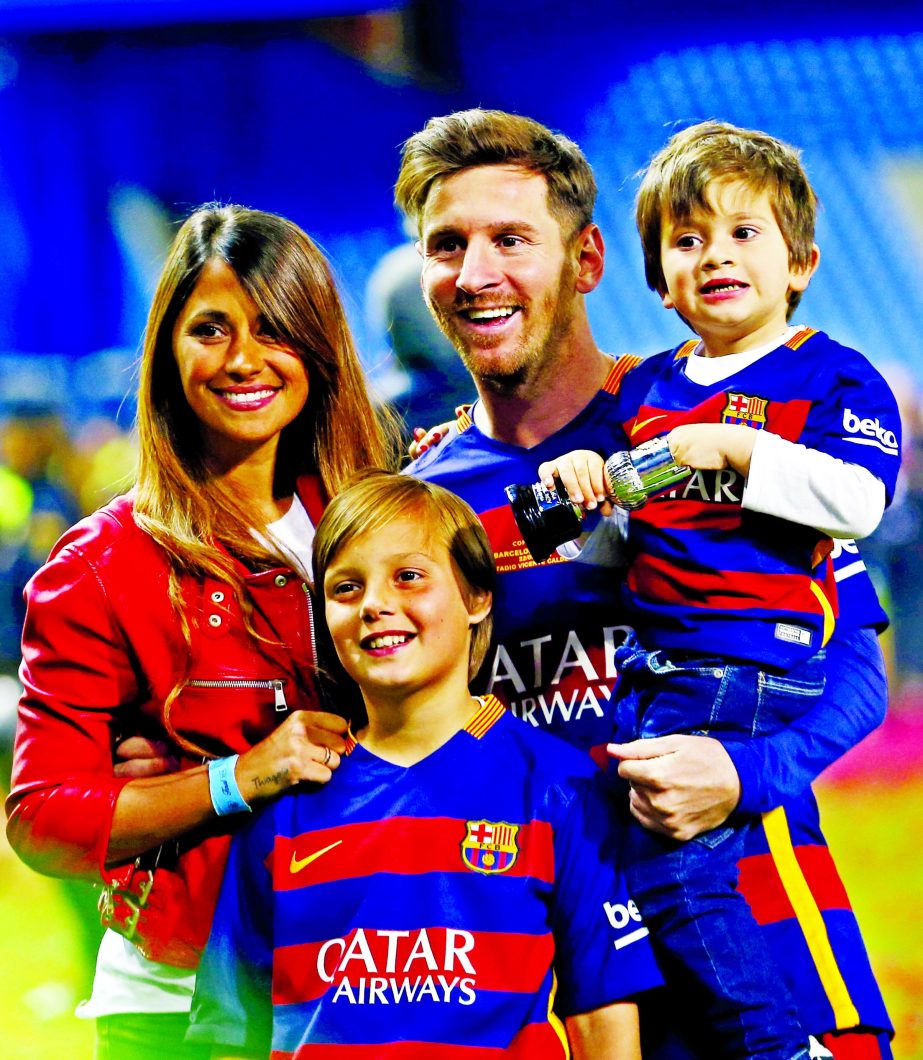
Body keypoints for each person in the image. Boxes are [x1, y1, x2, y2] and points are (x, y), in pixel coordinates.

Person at [397, 109, 894, 1057]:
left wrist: (748, 773)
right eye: (446, 245)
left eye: (510, 239)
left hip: (758, 921)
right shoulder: (413, 505)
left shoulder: (718, 432)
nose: (475, 274)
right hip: (545, 970)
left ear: (586, 260)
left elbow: (855, 669)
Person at [539, 121, 901, 1059]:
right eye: (689, 239)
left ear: (802, 264)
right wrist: (590, 496)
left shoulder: (830, 376)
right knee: (650, 867)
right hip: (657, 667)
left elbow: (857, 502)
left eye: (745, 234)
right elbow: (623, 548)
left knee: (672, 873)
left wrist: (742, 450)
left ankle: (779, 1047)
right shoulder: (644, 390)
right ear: (655, 278)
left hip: (743, 661)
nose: (716, 256)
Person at [5, 203, 397, 1058]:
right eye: (210, 329)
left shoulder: (382, 523)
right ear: (166, 349)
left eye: (274, 329)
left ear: (320, 346)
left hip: (382, 979)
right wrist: (233, 779)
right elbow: (42, 816)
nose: (243, 360)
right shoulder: (102, 565)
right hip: (179, 1004)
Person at [187, 470, 663, 1058]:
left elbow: (602, 1010)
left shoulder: (558, 788)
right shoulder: (288, 798)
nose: (376, 605)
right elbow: (227, 1030)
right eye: (345, 589)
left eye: (409, 577)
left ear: (477, 598)